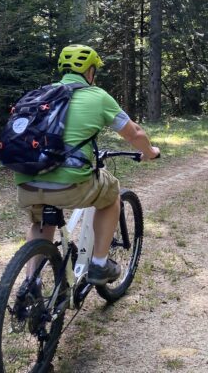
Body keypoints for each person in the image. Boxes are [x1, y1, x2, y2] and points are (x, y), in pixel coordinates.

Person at [15, 44, 160, 285]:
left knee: (41, 221)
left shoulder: (40, 94)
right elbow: (134, 133)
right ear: (90, 71)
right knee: (111, 194)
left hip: (27, 181)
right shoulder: (97, 96)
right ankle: (100, 264)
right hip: (70, 184)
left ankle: (31, 283)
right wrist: (150, 152)